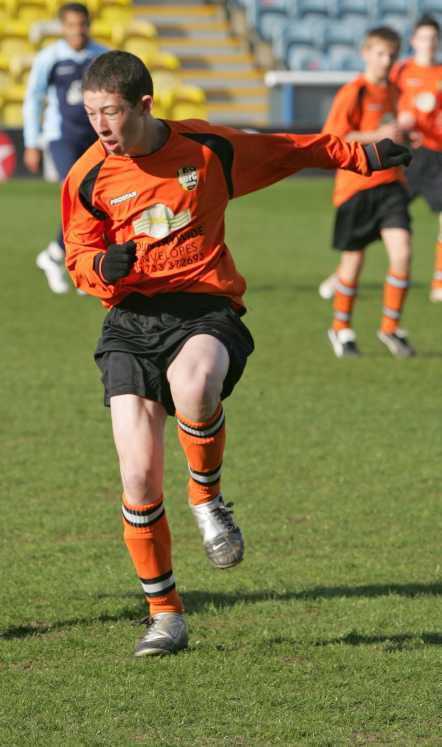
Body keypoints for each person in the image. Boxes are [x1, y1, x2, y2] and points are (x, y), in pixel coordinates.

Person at [61, 50, 410, 656]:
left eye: (110, 112)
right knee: (138, 477)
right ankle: (166, 615)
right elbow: (77, 255)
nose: (100, 126)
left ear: (144, 104)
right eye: (91, 113)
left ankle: (207, 498)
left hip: (206, 307)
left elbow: (289, 147)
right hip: (130, 323)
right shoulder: (88, 176)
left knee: (196, 386)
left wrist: (363, 154)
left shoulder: (206, 150)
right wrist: (99, 265)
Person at [318, 26, 415, 358]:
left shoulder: (396, 91)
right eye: (380, 54)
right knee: (353, 263)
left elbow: (393, 132)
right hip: (356, 185)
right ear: (366, 53)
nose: (386, 60)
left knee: (402, 253)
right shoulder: (353, 92)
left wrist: (404, 137)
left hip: (391, 185)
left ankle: (391, 329)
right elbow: (333, 136)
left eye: (391, 55)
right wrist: (377, 134)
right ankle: (341, 329)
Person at [23, 2, 107, 294]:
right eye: (71, 25)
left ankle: (61, 257)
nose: (77, 31)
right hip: (62, 137)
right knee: (77, 196)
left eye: (82, 25)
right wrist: (31, 141)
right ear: (63, 27)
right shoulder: (51, 57)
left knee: (97, 199)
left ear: (88, 25)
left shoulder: (101, 56)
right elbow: (33, 98)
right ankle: (65, 257)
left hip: (96, 138)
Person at [391, 14, 442, 304]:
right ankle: (343, 273)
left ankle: (439, 280)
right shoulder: (400, 70)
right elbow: (387, 105)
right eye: (424, 38)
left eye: (434, 38)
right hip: (407, 155)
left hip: (438, 155)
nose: (429, 43)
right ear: (413, 41)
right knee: (383, 214)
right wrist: (399, 119)